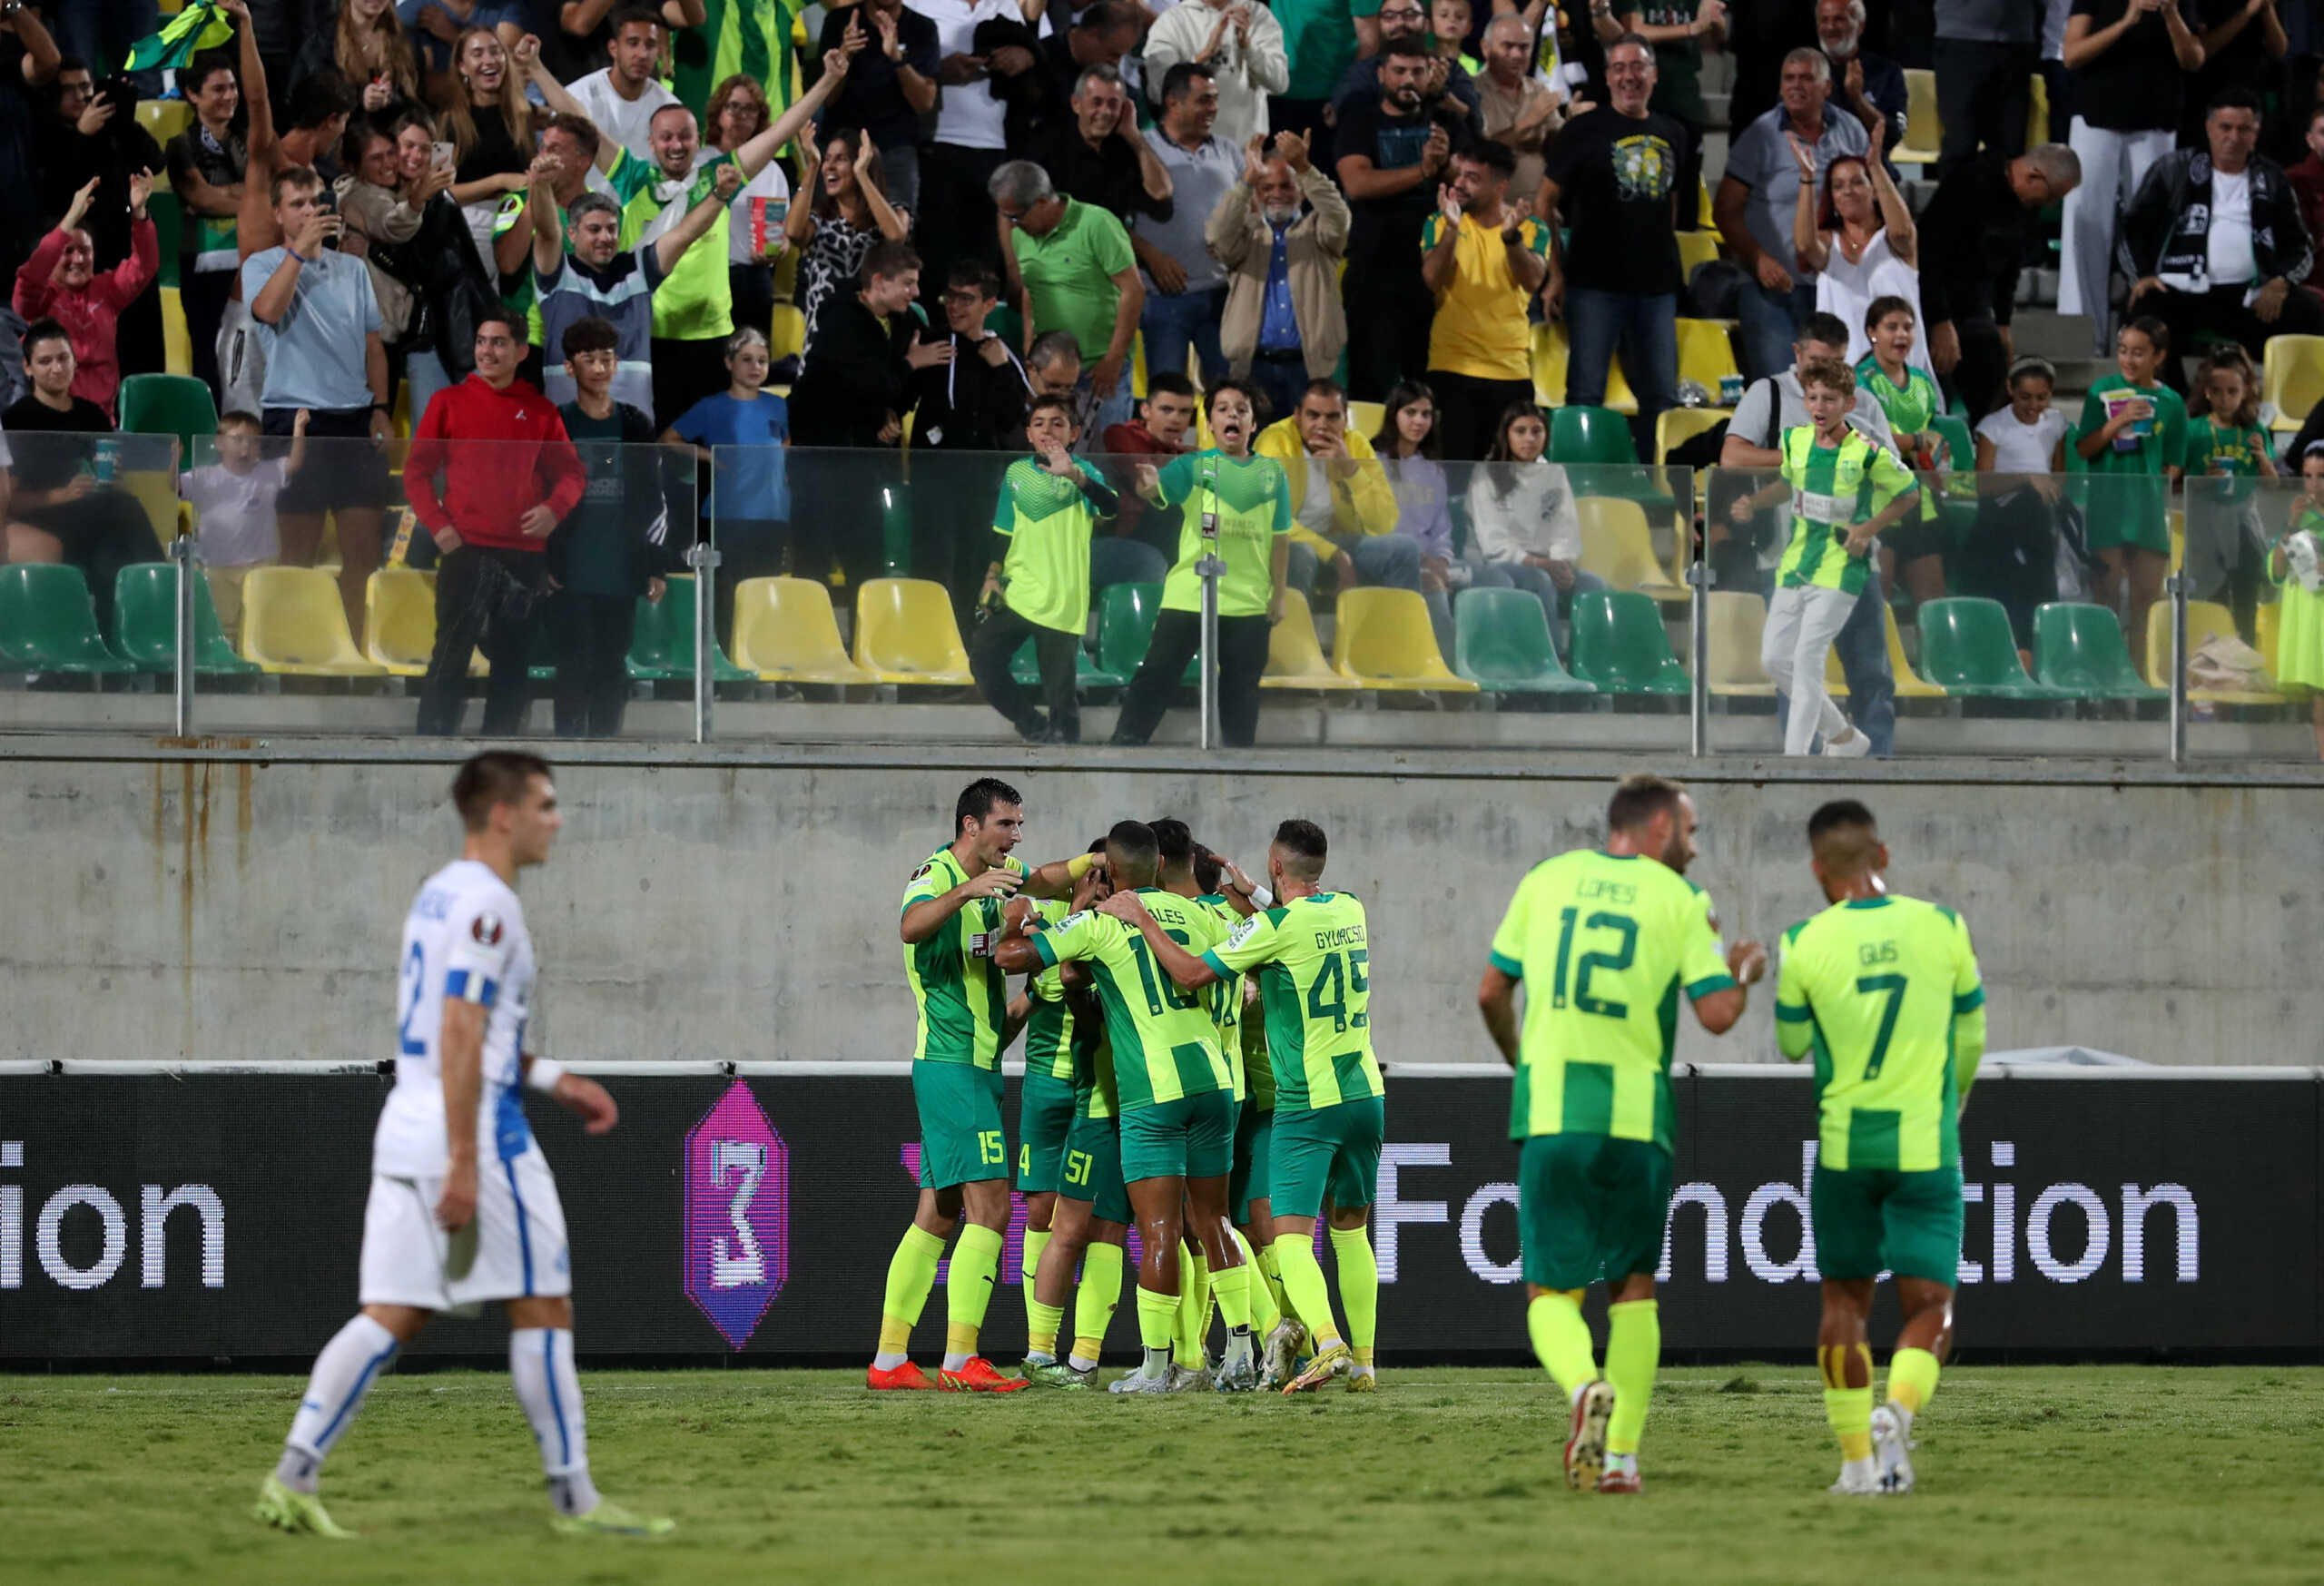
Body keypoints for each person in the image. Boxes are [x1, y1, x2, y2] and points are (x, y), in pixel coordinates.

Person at [251, 752, 671, 1542]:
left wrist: (554, 1077)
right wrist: (467, 1159)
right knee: (543, 1305)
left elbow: (463, 1032)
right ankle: (576, 1500)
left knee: (392, 1315)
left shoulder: (438, 893)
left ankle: (292, 1475)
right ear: (504, 814)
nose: (558, 818)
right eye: (546, 803)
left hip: (407, 1121)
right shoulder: (492, 907)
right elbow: (460, 1030)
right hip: (477, 1132)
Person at [1477, 773, 1766, 1494]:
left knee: (1551, 1289)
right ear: (1661, 826)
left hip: (1552, 1112)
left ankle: (1582, 1388)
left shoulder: (1545, 879)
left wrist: (1522, 1061)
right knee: (1635, 1287)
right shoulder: (1680, 901)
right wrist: (1746, 971)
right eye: (1692, 834)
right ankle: (1622, 1460)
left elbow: (1489, 990)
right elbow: (1720, 1015)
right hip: (1638, 1119)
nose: (1696, 851)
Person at [1104, 817, 1385, 1394]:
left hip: (1309, 1103)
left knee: (1288, 1237)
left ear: (1276, 864)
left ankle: (1326, 1342)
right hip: (1366, 1094)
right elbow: (1290, 919)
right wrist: (1256, 891)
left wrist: (1142, 918)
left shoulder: (1277, 928)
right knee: (1351, 1230)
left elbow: (1187, 973)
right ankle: (1364, 1363)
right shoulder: (1350, 909)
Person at [991, 820, 1258, 1396]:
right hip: (1215, 1079)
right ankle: (1240, 1355)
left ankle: (1156, 1369)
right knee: (1213, 1221)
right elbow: (1255, 926)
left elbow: (1012, 958)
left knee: (1158, 1228)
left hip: (1150, 1092)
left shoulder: (1099, 923)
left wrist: (1022, 923)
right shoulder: (1203, 913)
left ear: (1109, 872)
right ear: (1161, 865)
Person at [1775, 799, 1986, 1497]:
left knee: (1844, 1304)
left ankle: (1857, 1467)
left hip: (1845, 1147)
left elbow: (1792, 1042)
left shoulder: (1802, 940)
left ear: (1816, 869)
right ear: (1884, 855)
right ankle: (1896, 1410)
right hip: (1926, 1144)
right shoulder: (1943, 926)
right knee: (1931, 1304)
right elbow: (1972, 1038)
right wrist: (1950, 1098)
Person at [525, 34, 860, 429]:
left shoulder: (716, 178)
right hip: (647, 337)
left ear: (698, 139)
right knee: (651, 444)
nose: (676, 144)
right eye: (666, 137)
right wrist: (534, 67)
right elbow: (580, 120)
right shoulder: (634, 178)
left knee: (707, 452)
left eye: (685, 135)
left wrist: (827, 80)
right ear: (651, 143)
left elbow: (777, 135)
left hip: (711, 338)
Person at [869, 779, 1084, 1392]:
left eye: (1019, 824)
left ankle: (890, 1359)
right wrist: (967, 888)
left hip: (977, 1067)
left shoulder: (1003, 875)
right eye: (1005, 825)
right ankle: (961, 1358)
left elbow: (1041, 879)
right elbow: (910, 926)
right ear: (971, 824)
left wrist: (1088, 867)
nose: (1015, 836)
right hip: (951, 1064)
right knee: (990, 1204)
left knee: (935, 1216)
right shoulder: (936, 875)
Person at [1722, 312, 1905, 753]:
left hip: (1853, 556)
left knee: (1870, 668)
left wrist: (1869, 527)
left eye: (1840, 364)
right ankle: (1809, 753)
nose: (1828, 376)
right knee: (1790, 663)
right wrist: (1804, 461)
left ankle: (1874, 757)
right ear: (1797, 354)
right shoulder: (1768, 393)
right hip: (1790, 555)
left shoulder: (1862, 402)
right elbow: (1732, 456)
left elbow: (1894, 477)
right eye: (1819, 362)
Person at [407, 314, 586, 737]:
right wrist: (439, 527)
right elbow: (416, 473)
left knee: (513, 660)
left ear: (522, 352)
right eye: (482, 341)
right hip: (465, 551)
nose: (487, 351)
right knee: (450, 653)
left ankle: (500, 752)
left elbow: (573, 474)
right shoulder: (447, 402)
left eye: (499, 343)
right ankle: (429, 748)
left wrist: (554, 511)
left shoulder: (541, 411)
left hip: (524, 556)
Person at [242, 165, 394, 647]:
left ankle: (354, 653)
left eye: (316, 203)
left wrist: (382, 407)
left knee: (363, 554)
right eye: (297, 205)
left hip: (353, 419)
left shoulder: (353, 269)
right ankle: (293, 651)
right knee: (297, 553)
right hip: (293, 418)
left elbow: (373, 346)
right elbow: (267, 311)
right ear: (277, 212)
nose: (310, 212)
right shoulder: (261, 265)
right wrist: (300, 252)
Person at [1110, 380, 1292, 747]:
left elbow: (1281, 537)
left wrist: (1279, 594)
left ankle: (1239, 762)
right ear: (1209, 423)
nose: (1232, 416)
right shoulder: (1193, 465)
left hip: (1248, 598)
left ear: (1253, 424)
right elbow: (1156, 489)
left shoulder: (1272, 473)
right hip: (1192, 592)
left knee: (1241, 687)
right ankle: (1124, 747)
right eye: (1223, 409)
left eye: (1241, 410)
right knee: (1158, 674)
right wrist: (1146, 484)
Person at [1010, 840, 1126, 1387]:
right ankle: (1039, 1345)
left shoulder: (1116, 927)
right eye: (1097, 875)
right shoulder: (1059, 916)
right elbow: (1020, 962)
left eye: (1111, 878)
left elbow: (1060, 978)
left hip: (1095, 1090)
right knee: (1040, 1215)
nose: (1103, 886)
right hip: (1045, 1086)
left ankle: (1081, 1354)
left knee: (1100, 1224)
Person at [1540, 35, 1684, 463]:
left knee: (1662, 397)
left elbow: (1670, 202)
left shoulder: (1673, 131)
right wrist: (1556, 272)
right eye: (1619, 67)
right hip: (1592, 285)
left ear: (1653, 74)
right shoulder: (1581, 131)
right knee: (1585, 393)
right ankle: (1580, 490)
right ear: (1607, 77)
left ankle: (1659, 490)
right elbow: (1543, 203)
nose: (1628, 76)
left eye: (1637, 66)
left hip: (1657, 287)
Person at [2122, 89, 2324, 392]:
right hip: (2180, 291)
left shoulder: (2271, 177)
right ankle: (2175, 407)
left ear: (2256, 133)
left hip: (2251, 297)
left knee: (2308, 311)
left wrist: (2281, 282)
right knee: (2147, 312)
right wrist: (2142, 276)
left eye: (2244, 129)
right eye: (2225, 127)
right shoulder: (2174, 169)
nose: (2233, 137)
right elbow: (2132, 229)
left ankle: (2295, 410)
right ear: (2209, 128)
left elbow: (2300, 246)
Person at [222, 18, 356, 419]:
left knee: (288, 445)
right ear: (331, 120)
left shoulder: (315, 180)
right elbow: (257, 101)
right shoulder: (269, 160)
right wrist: (247, 25)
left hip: (295, 324)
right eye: (344, 125)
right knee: (244, 437)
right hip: (251, 317)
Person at [968, 393, 1118, 742]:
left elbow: (1111, 508)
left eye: (1057, 423)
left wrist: (1076, 477)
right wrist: (992, 577)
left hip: (1062, 599)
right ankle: (1031, 725)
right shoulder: (1016, 473)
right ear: (1028, 433)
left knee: (1060, 697)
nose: (1047, 430)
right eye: (1039, 423)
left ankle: (1065, 755)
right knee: (984, 663)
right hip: (1018, 592)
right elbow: (1003, 532)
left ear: (1074, 433)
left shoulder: (1086, 474)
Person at [2058, 0, 2204, 357]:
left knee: (2153, 231)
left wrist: (2170, 14)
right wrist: (2127, 21)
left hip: (2156, 121)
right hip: (2096, 116)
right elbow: (2071, 54)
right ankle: (2083, 342)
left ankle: (2146, 336)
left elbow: (2194, 59)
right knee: (2085, 226)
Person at [1718, 48, 1872, 381]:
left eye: (1806, 78)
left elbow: (1869, 205)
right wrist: (1758, 259)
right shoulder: (1760, 135)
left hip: (1836, 288)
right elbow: (1726, 210)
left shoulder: (1852, 131)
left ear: (1827, 87)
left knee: (1836, 392)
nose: (1795, 86)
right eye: (1789, 78)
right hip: (1771, 291)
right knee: (1782, 390)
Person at [0, 320, 165, 631]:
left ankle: (117, 657)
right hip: (42, 519)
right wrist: (60, 496)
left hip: (92, 518)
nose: (56, 368)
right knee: (123, 506)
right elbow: (9, 503)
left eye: (63, 358)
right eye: (45, 361)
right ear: (27, 368)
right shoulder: (17, 420)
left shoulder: (91, 415)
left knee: (109, 559)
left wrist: (113, 477)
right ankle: (162, 585)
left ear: (75, 361)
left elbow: (109, 475)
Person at [552, 315, 672, 738]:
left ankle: (605, 745)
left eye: (607, 359)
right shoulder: (557, 424)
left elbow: (654, 500)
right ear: (570, 368)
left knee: (610, 662)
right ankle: (567, 745)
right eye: (590, 359)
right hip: (570, 570)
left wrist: (654, 564)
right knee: (572, 661)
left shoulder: (635, 423)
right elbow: (539, 495)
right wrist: (545, 560)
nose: (601, 368)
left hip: (621, 569)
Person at [534, 166, 737, 414]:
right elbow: (547, 232)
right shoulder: (557, 272)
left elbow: (685, 234)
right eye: (594, 229)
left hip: (633, 431)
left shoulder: (639, 268)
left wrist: (720, 194)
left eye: (612, 228)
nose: (605, 237)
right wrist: (542, 186)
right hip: (567, 426)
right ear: (572, 233)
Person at [1338, 39, 1463, 401]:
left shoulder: (1446, 120)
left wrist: (1447, 166)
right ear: (1382, 74)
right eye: (1399, 71)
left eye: (1418, 71)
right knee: (1369, 384)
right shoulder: (1360, 119)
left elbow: (1469, 182)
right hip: (1372, 269)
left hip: (1436, 270)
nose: (1409, 79)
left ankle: (1422, 459)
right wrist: (1424, 170)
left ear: (1430, 75)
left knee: (1427, 386)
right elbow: (1357, 183)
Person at [1915, 143, 2079, 419]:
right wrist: (1940, 322)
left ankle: (1987, 452)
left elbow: (2010, 269)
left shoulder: (2026, 204)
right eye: (2052, 195)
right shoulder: (1969, 182)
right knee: (1937, 389)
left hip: (1976, 311)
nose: (2051, 204)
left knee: (1996, 383)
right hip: (1932, 304)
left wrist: (2003, 324)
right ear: (2033, 176)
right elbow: (1928, 254)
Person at [1208, 128, 1349, 428]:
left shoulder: (1318, 233)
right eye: (1266, 186)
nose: (1276, 194)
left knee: (1309, 459)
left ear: (1301, 189)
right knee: (1254, 457)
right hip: (1253, 368)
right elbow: (1216, 234)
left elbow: (1340, 217)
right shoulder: (1245, 236)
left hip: (1309, 370)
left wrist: (1305, 168)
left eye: (1286, 186)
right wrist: (1246, 180)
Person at [913, 0, 1047, 313]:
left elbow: (1037, 58)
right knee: (937, 264)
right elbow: (894, 60)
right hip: (935, 145)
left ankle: (978, 349)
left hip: (995, 149)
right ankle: (936, 347)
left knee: (984, 266)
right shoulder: (919, 3)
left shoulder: (1005, 5)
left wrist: (1024, 57)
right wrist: (938, 70)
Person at [992, 160, 1144, 437]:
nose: (1013, 224)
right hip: (1050, 377)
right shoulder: (1021, 237)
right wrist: (1030, 352)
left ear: (1040, 202)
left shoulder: (1097, 224)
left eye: (1016, 216)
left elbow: (1133, 290)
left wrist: (1114, 359)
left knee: (1108, 464)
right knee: (1050, 465)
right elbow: (1030, 292)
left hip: (1100, 373)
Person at [1419, 139, 1548, 461]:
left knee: (1508, 483)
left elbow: (1532, 280)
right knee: (1454, 482)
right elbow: (1433, 279)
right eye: (1459, 174)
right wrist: (1451, 228)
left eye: (1472, 178)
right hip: (1451, 369)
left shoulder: (1530, 227)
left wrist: (1510, 238)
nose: (1459, 184)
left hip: (1510, 372)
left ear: (1500, 187)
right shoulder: (1438, 222)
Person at [665, 327, 790, 645]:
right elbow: (669, 439)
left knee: (763, 589)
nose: (755, 367)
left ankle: (758, 659)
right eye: (747, 359)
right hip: (728, 513)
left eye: (762, 360)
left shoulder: (777, 405)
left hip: (772, 513)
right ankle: (724, 665)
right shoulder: (712, 406)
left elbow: (785, 439)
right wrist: (709, 456)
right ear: (729, 363)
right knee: (727, 591)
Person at [2077, 316, 2185, 675]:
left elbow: (2174, 464)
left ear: (2159, 356)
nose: (2129, 360)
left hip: (2148, 512)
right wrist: (2116, 424)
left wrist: (2162, 476)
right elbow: (2084, 449)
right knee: (2105, 599)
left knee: (2145, 604)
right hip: (2107, 507)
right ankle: (2102, 684)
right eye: (2123, 351)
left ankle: (2140, 683)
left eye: (2139, 353)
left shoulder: (2171, 403)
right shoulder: (2101, 391)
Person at [12, 170, 157, 423]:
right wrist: (68, 221)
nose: (78, 260)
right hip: (50, 421)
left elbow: (145, 266)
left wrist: (139, 214)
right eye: (68, 251)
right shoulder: (39, 299)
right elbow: (29, 278)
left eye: (85, 251)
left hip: (101, 422)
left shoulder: (107, 290)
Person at [1464, 401, 1611, 644]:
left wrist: (1560, 562)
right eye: (1520, 431)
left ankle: (1585, 663)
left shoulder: (1554, 473)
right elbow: (1493, 543)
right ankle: (1548, 660)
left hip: (1547, 562)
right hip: (1496, 562)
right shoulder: (1485, 474)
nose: (1529, 439)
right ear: (1506, 435)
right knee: (1538, 579)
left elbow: (1565, 528)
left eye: (1537, 431)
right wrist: (1540, 564)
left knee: (1592, 584)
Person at [1258, 378, 1416, 600]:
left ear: (1346, 418)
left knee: (1403, 549)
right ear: (1297, 416)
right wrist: (1334, 554)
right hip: (1285, 546)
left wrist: (1351, 469)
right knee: (1300, 554)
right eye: (1313, 415)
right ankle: (1292, 632)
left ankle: (1401, 632)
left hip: (1336, 543)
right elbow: (1272, 519)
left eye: (1333, 416)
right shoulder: (1275, 442)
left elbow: (1384, 523)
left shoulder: (1356, 444)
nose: (1322, 425)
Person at [1791, 122, 1925, 385]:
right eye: (1838, 186)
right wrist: (1807, 179)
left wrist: (1875, 166)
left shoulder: (1894, 240)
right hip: (1843, 379)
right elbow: (1806, 247)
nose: (1848, 190)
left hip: (1903, 374)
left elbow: (1903, 233)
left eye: (1857, 182)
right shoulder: (1828, 242)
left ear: (1873, 189)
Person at [1139, 64, 1243, 389]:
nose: (1212, 108)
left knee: (1230, 397)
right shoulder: (1142, 148)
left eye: (1214, 100)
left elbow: (1249, 214)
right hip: (1164, 298)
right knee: (1167, 399)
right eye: (1203, 100)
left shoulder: (1228, 151)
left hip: (1221, 298)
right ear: (1173, 103)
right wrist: (1152, 256)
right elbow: (1111, 221)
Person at [180, 408, 307, 648]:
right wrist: (173, 460)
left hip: (260, 564)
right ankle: (226, 672)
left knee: (258, 622)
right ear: (219, 443)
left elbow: (294, 463)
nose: (245, 448)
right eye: (237, 440)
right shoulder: (205, 477)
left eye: (253, 441)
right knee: (223, 624)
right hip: (218, 566)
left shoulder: (268, 472)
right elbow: (174, 486)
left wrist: (299, 431)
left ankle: (255, 670)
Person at [1969, 356, 2070, 649]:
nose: (2033, 406)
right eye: (2025, 397)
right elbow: (1983, 483)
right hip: (2000, 520)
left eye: (2042, 398)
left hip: (2040, 519)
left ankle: (2038, 649)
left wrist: (2044, 488)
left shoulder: (2056, 423)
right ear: (2010, 389)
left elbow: (2059, 475)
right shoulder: (1994, 425)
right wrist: (2026, 479)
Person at [784, 126, 912, 354]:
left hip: (870, 345)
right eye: (827, 159)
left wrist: (862, 174)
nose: (829, 167)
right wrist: (812, 165)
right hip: (822, 348)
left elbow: (895, 236)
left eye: (841, 159)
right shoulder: (819, 220)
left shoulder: (894, 214)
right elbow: (793, 232)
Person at [1593, 0, 1723, 226]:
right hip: (1645, 103)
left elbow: (1718, 38)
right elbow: (1633, 32)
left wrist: (1715, 21)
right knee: (1640, 189)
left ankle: (1684, 254)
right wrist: (1692, 28)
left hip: (1686, 101)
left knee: (1686, 193)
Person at [165, 50, 245, 400]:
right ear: (193, 95)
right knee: (207, 351)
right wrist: (249, 197)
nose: (229, 95)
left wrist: (227, 193)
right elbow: (203, 199)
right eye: (218, 89)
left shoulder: (250, 139)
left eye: (232, 87)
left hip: (249, 259)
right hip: (201, 265)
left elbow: (271, 191)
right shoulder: (180, 146)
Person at [2181, 343, 2277, 626]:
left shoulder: (2254, 431)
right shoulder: (2195, 430)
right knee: (2214, 596)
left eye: (2232, 392)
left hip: (2244, 525)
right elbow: (2179, 482)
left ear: (2245, 391)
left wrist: (2262, 458)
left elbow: (2273, 484)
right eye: (2217, 392)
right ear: (2207, 392)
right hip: (2207, 526)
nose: (2225, 399)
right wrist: (2202, 480)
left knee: (2246, 594)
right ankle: (2215, 659)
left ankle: (2245, 654)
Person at [818, 0, 939, 213]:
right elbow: (825, 98)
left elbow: (925, 102)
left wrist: (897, 58)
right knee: (831, 233)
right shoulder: (839, 21)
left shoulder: (923, 28)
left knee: (894, 238)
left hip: (895, 152)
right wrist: (845, 53)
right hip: (841, 149)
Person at [698, 75, 792, 341]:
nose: (740, 115)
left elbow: (780, 232)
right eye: (733, 106)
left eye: (749, 109)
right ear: (718, 112)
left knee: (752, 357)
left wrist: (780, 247)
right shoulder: (701, 162)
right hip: (708, 276)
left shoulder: (772, 171)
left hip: (754, 277)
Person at [1033, 62, 1174, 229]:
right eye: (1096, 102)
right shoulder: (1048, 145)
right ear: (1076, 104)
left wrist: (1134, 135)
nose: (1105, 111)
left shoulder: (1125, 151)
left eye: (1113, 104)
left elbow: (1162, 197)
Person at [1144, 0, 1290, 152]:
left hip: (1246, 153)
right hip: (1189, 153)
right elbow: (1158, 92)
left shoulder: (1257, 15)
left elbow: (1279, 83)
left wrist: (1248, 49)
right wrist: (1202, 58)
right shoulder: (1170, 22)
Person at [1334, 0, 1485, 135]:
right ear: (1379, 24)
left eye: (1411, 14)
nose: (1400, 22)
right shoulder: (1362, 72)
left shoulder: (1450, 69)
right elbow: (1344, 121)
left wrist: (1441, 95)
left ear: (1427, 24)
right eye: (1389, 16)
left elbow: (1476, 124)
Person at [1101, 372, 1198, 569]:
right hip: (1128, 539)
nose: (1175, 419)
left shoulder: (1188, 455)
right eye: (1166, 410)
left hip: (1167, 543)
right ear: (1145, 410)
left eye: (1184, 412)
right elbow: (1146, 481)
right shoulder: (1121, 435)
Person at [1934, 0, 2042, 176]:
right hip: (1961, 41)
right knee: (1961, 144)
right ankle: (1953, 202)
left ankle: (2004, 203)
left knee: (2011, 147)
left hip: (2018, 44)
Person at [566, 6, 680, 162]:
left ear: (658, 52)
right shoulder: (578, 96)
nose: (642, 54)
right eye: (633, 43)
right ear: (613, 49)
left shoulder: (670, 107)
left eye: (650, 45)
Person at [2272, 441, 2324, 759]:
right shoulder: (2298, 521)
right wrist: (2291, 525)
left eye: (2322, 476)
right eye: (2307, 476)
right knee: (2320, 713)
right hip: (2312, 632)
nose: (2314, 484)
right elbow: (2277, 570)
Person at [1475, 15, 1563, 198]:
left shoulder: (1539, 90)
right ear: (1486, 48)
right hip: (1490, 216)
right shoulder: (1471, 92)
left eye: (1524, 47)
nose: (1517, 55)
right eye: (1508, 46)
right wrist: (1530, 121)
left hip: (1540, 212)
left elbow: (1557, 148)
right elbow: (1479, 153)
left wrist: (1573, 122)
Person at [291, 0, 424, 121]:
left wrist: (390, 98)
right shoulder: (324, 38)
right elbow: (312, 97)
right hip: (338, 135)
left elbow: (415, 100)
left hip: (390, 135)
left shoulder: (405, 38)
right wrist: (360, 97)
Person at [1817, 0, 1908, 166]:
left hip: (1870, 172)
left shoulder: (1886, 72)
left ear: (1860, 26)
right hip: (1819, 170)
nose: (1830, 27)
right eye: (1824, 20)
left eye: (1839, 19)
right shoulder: (1804, 71)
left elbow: (1892, 136)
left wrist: (1858, 99)